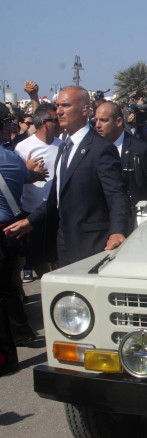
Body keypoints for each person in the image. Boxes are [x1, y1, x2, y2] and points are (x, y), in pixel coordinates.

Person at [5, 86, 131, 267]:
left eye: (65, 106)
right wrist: (29, 221)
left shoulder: (100, 149)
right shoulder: (65, 147)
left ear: (85, 110)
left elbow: (117, 195)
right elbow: (56, 198)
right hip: (65, 242)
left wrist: (118, 231)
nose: (59, 112)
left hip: (92, 244)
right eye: (58, 106)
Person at [0, 103, 37, 376]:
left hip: (6, 229)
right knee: (7, 287)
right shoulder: (12, 159)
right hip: (10, 229)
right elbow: (28, 175)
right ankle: (20, 333)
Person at [94, 101, 147, 225]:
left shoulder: (140, 150)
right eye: (96, 120)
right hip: (102, 221)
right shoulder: (94, 149)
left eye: (104, 120)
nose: (98, 125)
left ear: (119, 121)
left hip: (134, 222)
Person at [14, 103, 62, 278]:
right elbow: (17, 179)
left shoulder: (63, 145)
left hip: (56, 210)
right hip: (32, 211)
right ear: (44, 123)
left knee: (57, 256)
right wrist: (28, 172)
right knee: (39, 259)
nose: (59, 123)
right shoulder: (23, 147)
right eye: (55, 120)